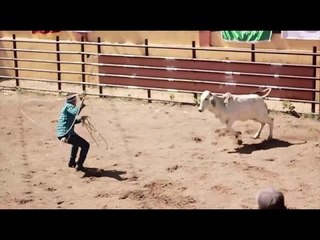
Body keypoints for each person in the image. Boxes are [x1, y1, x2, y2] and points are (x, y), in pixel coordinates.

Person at [56, 93, 89, 171]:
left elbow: (72, 121)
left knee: (76, 144)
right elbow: (75, 112)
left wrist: (80, 119)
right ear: (73, 100)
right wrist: (81, 104)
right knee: (85, 145)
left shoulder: (66, 106)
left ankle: (72, 162)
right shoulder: (69, 106)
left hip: (64, 133)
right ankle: (79, 164)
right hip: (66, 133)